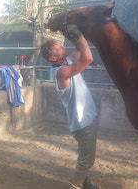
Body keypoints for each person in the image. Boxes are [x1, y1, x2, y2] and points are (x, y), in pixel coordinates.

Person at [40, 27, 99, 189]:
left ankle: (85, 184)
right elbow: (87, 58)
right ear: (53, 57)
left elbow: (80, 49)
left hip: (88, 117)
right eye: (60, 48)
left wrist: (71, 34)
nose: (64, 47)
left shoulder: (67, 61)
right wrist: (79, 34)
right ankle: (76, 185)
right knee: (87, 160)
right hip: (82, 123)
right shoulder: (61, 72)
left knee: (85, 157)